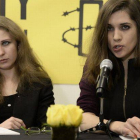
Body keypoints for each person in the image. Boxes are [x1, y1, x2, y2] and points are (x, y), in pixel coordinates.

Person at [77, 0, 140, 138]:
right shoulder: (97, 64)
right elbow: (83, 117)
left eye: (125, 27)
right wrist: (117, 126)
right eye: (109, 28)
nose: (116, 37)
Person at [0, 16, 54, 129]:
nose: (1, 52)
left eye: (5, 43)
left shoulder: (40, 83)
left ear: (18, 45)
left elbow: (47, 129)